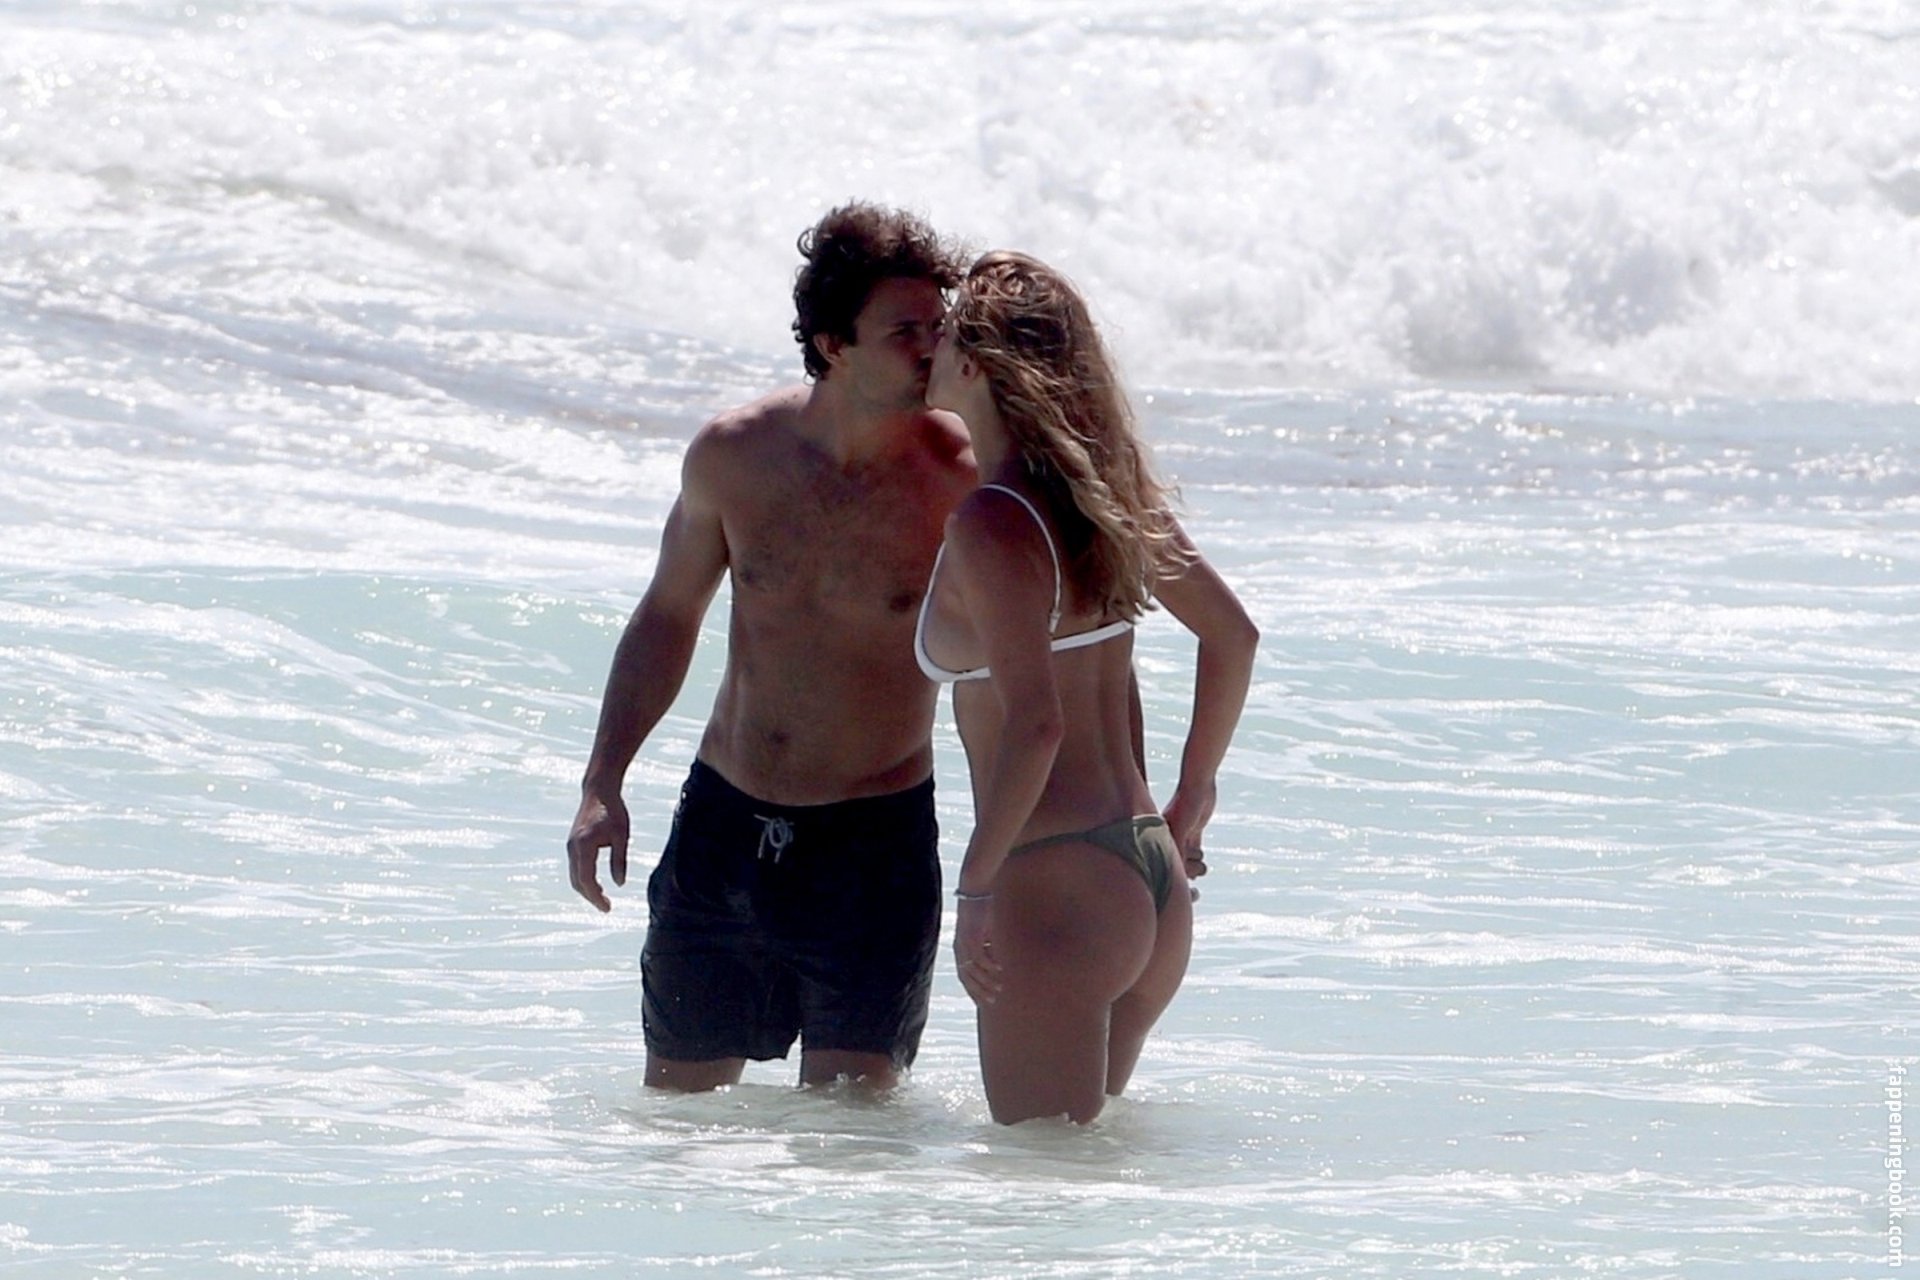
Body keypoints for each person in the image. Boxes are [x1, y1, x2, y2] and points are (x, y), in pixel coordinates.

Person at [566, 203, 975, 1093]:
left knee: (852, 1142)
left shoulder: (963, 480)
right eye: (904, 331)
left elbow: (1035, 660)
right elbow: (666, 616)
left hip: (874, 848)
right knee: (678, 1128)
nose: (932, 348)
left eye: (937, 327)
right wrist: (603, 783)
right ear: (834, 345)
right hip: (725, 834)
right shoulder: (735, 456)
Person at [919, 250, 1258, 1124]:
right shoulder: (1105, 501)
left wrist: (976, 888)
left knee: (1040, 1187)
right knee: (1083, 1183)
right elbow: (1233, 636)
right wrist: (1191, 797)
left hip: (1057, 889)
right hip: (1149, 872)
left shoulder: (994, 521)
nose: (928, 348)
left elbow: (1036, 725)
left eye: (945, 334)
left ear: (979, 365)